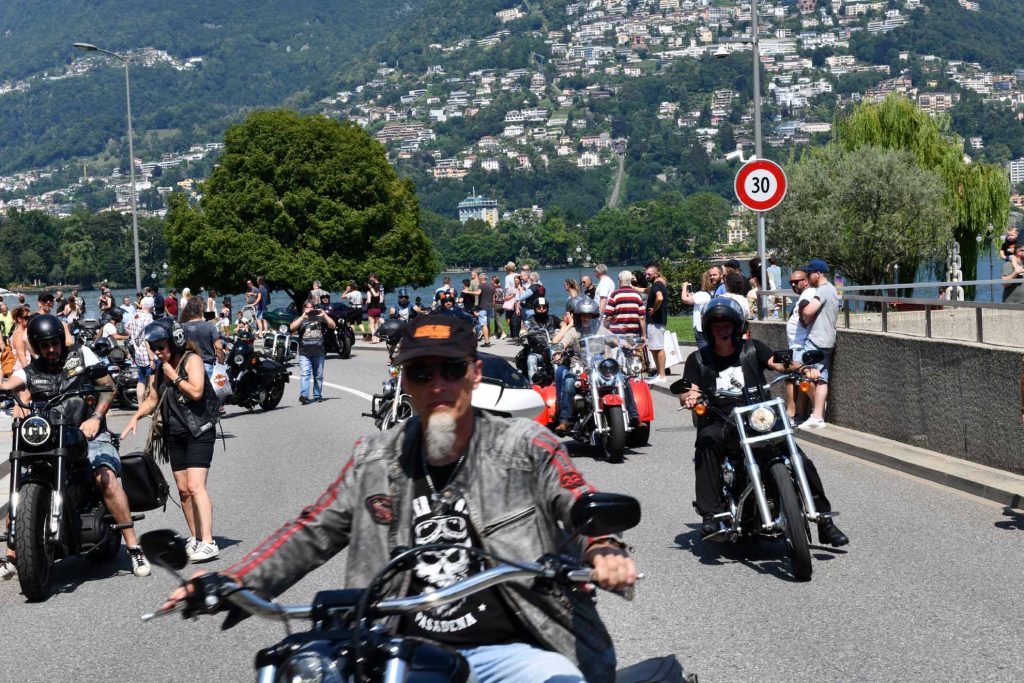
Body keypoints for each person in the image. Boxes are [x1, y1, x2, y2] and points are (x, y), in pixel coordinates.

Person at [167, 314, 636, 683]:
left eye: (451, 369)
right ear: (403, 379)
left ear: (473, 374)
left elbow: (577, 498)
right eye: (421, 371)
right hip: (397, 649)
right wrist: (233, 581)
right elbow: (313, 529)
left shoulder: (527, 447)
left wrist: (603, 548)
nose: (437, 386)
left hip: (515, 647)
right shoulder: (375, 459)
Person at [675, 296, 848, 547]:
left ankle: (824, 521)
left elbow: (779, 362)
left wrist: (802, 369)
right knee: (706, 441)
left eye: (726, 323)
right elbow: (688, 388)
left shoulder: (752, 348)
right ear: (709, 328)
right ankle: (712, 514)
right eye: (716, 324)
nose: (722, 328)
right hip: (721, 420)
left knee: (798, 456)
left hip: (758, 416)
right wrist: (689, 395)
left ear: (736, 326)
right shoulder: (698, 359)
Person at [0, 314, 152, 578]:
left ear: (61, 340)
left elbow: (108, 386)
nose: (50, 349)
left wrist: (95, 418)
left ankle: (133, 547)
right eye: (44, 345)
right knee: (23, 482)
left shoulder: (82, 355)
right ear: (36, 346)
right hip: (51, 437)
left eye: (54, 343)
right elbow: (9, 384)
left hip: (88, 433)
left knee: (106, 477)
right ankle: (13, 555)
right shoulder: (31, 371)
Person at [122, 318, 220, 563]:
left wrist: (174, 376)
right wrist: (135, 416)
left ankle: (208, 541)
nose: (157, 352)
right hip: (174, 434)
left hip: (199, 431)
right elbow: (153, 398)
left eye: (161, 347)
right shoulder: (160, 368)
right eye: (154, 347)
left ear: (174, 342)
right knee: (184, 490)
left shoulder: (191, 360)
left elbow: (197, 391)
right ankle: (195, 537)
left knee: (197, 486)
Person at [553, 298, 638, 432]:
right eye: (583, 315)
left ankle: (634, 416)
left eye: (589, 316)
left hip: (601, 367)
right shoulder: (574, 331)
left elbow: (615, 339)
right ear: (579, 316)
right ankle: (565, 420)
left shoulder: (601, 330)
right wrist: (559, 351)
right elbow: (563, 343)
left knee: (624, 379)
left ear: (594, 316)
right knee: (569, 381)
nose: (586, 318)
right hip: (580, 367)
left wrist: (626, 344)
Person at [798, 259, 840, 430]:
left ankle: (817, 413)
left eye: (810, 273)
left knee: (805, 373)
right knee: (822, 379)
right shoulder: (833, 290)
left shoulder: (823, 290)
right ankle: (817, 416)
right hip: (828, 339)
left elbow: (808, 312)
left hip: (816, 340)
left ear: (819, 273)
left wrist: (803, 315)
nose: (808, 277)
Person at [290, 298, 336, 404]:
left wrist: (324, 315)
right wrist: (303, 317)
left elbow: (332, 325)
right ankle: (304, 395)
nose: (310, 309)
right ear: (304, 308)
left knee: (318, 375)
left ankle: (317, 395)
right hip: (304, 352)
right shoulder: (300, 318)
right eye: (307, 307)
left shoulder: (319, 318)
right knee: (305, 374)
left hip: (319, 351)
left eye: (312, 307)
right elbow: (292, 328)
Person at [785, 269, 816, 423]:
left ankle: (794, 413)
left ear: (806, 281)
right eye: (791, 282)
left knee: (796, 378)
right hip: (795, 345)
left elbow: (806, 310)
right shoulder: (805, 294)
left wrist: (804, 320)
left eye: (796, 281)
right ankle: (799, 413)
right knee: (797, 379)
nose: (793, 285)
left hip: (799, 345)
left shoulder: (808, 293)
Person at [180, 297, 226, 380]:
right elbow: (219, 348)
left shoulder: (183, 327)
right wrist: (221, 363)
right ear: (201, 307)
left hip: (189, 366)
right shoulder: (209, 326)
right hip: (207, 365)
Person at [644, 263, 669, 384]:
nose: (647, 276)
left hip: (656, 322)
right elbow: (647, 291)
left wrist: (654, 309)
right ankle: (659, 374)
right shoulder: (657, 284)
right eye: (646, 274)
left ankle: (662, 375)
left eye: (649, 274)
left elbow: (659, 298)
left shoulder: (657, 284)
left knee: (658, 348)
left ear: (656, 273)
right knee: (654, 348)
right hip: (657, 322)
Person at [524, 298, 560, 382]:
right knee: (531, 359)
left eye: (544, 307)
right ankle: (533, 385)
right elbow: (523, 328)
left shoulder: (553, 318)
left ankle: (559, 383)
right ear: (535, 308)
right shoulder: (530, 320)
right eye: (539, 307)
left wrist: (562, 330)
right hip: (537, 353)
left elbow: (564, 325)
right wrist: (523, 333)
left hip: (552, 351)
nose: (541, 309)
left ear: (547, 308)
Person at [681, 269, 715, 350]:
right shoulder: (714, 293)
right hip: (710, 326)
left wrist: (684, 287)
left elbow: (684, 299)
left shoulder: (702, 295)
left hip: (700, 328)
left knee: (704, 352)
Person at [605, 271, 645, 339]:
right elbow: (641, 318)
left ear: (620, 281)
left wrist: (605, 329)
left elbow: (608, 315)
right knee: (633, 349)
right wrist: (644, 335)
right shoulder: (637, 295)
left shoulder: (615, 294)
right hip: (633, 333)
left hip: (617, 333)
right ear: (630, 281)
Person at [476, 270, 494, 347]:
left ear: (481, 278)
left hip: (483, 307)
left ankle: (487, 342)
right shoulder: (491, 286)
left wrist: (468, 292)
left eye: (479, 278)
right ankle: (488, 339)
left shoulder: (480, 285)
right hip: (490, 307)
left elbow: (478, 293)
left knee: (483, 325)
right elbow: (493, 297)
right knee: (487, 324)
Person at [366, 274, 384, 343]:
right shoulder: (379, 291)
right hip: (378, 309)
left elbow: (369, 301)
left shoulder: (369, 292)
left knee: (372, 325)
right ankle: (378, 339)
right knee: (376, 324)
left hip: (371, 309)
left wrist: (367, 301)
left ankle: (374, 339)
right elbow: (381, 300)